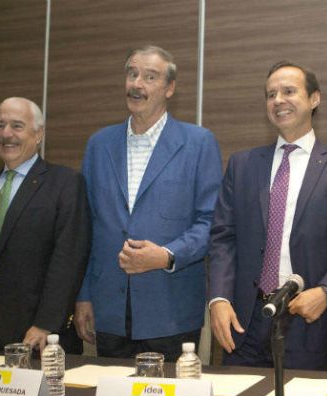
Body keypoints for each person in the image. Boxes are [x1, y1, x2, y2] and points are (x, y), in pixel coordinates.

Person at [208, 60, 327, 371]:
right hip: (244, 320)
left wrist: (326, 292)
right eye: (271, 94)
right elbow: (222, 238)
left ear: (314, 99)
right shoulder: (242, 165)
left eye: (289, 91)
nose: (278, 100)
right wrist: (219, 299)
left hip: (306, 318)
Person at [74, 45, 223, 362]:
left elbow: (210, 222)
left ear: (169, 88)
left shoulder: (198, 143)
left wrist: (167, 256)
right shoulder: (99, 144)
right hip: (109, 308)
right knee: (108, 393)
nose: (137, 84)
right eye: (132, 74)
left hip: (171, 309)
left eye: (150, 77)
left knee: (167, 393)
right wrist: (84, 294)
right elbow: (85, 228)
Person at [0, 97, 90, 354]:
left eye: (17, 126)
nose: (6, 134)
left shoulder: (65, 184)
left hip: (39, 338)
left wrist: (46, 323)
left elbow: (68, 260)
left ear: (39, 134)